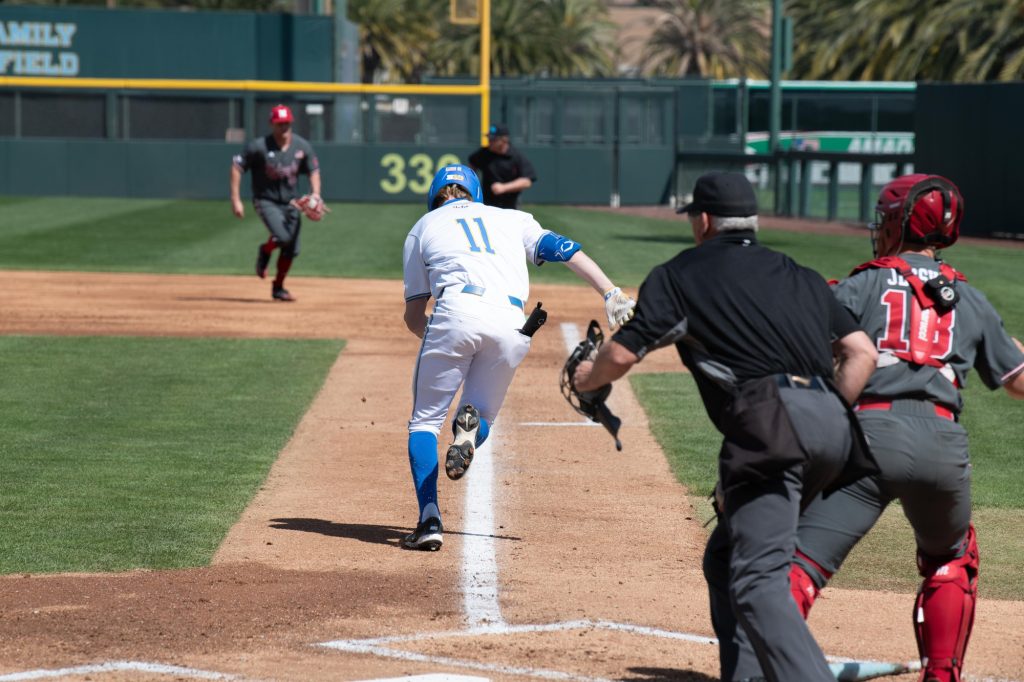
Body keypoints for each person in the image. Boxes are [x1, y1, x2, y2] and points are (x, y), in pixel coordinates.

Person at [571, 171, 879, 681]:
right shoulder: (799, 274)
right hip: (837, 426)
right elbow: (861, 353)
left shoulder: (680, 274)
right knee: (727, 556)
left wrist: (587, 378)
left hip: (772, 425)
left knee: (758, 584)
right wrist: (818, 414)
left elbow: (622, 353)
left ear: (705, 220)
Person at [783, 174, 1024, 682]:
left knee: (799, 564)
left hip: (867, 442)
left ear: (897, 224)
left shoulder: (861, 282)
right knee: (951, 560)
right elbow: (1018, 382)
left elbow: (807, 350)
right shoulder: (970, 298)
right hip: (943, 448)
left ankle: (767, 665)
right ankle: (941, 675)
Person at [400, 163, 635, 551]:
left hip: (455, 309)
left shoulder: (422, 228)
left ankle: (429, 521)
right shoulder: (511, 217)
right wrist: (610, 292)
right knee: (482, 414)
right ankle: (471, 436)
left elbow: (413, 315)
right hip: (513, 322)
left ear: (434, 198)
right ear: (476, 193)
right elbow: (565, 249)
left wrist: (440, 337)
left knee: (425, 423)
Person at [230, 104, 322, 302]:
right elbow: (237, 167)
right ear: (272, 124)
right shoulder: (258, 146)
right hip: (266, 200)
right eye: (280, 123)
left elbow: (313, 171)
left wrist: (315, 195)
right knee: (282, 236)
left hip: (292, 202)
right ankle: (265, 251)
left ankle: (278, 287)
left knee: (292, 248)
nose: (284, 126)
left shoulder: (302, 146)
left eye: (287, 122)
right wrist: (236, 199)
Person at [468, 123, 537, 209]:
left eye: (493, 139)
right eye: (489, 138)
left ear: (504, 140)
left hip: (511, 205)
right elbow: (471, 165)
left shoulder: (515, 156)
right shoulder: (484, 153)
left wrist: (504, 187)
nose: (489, 141)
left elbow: (527, 181)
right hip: (488, 204)